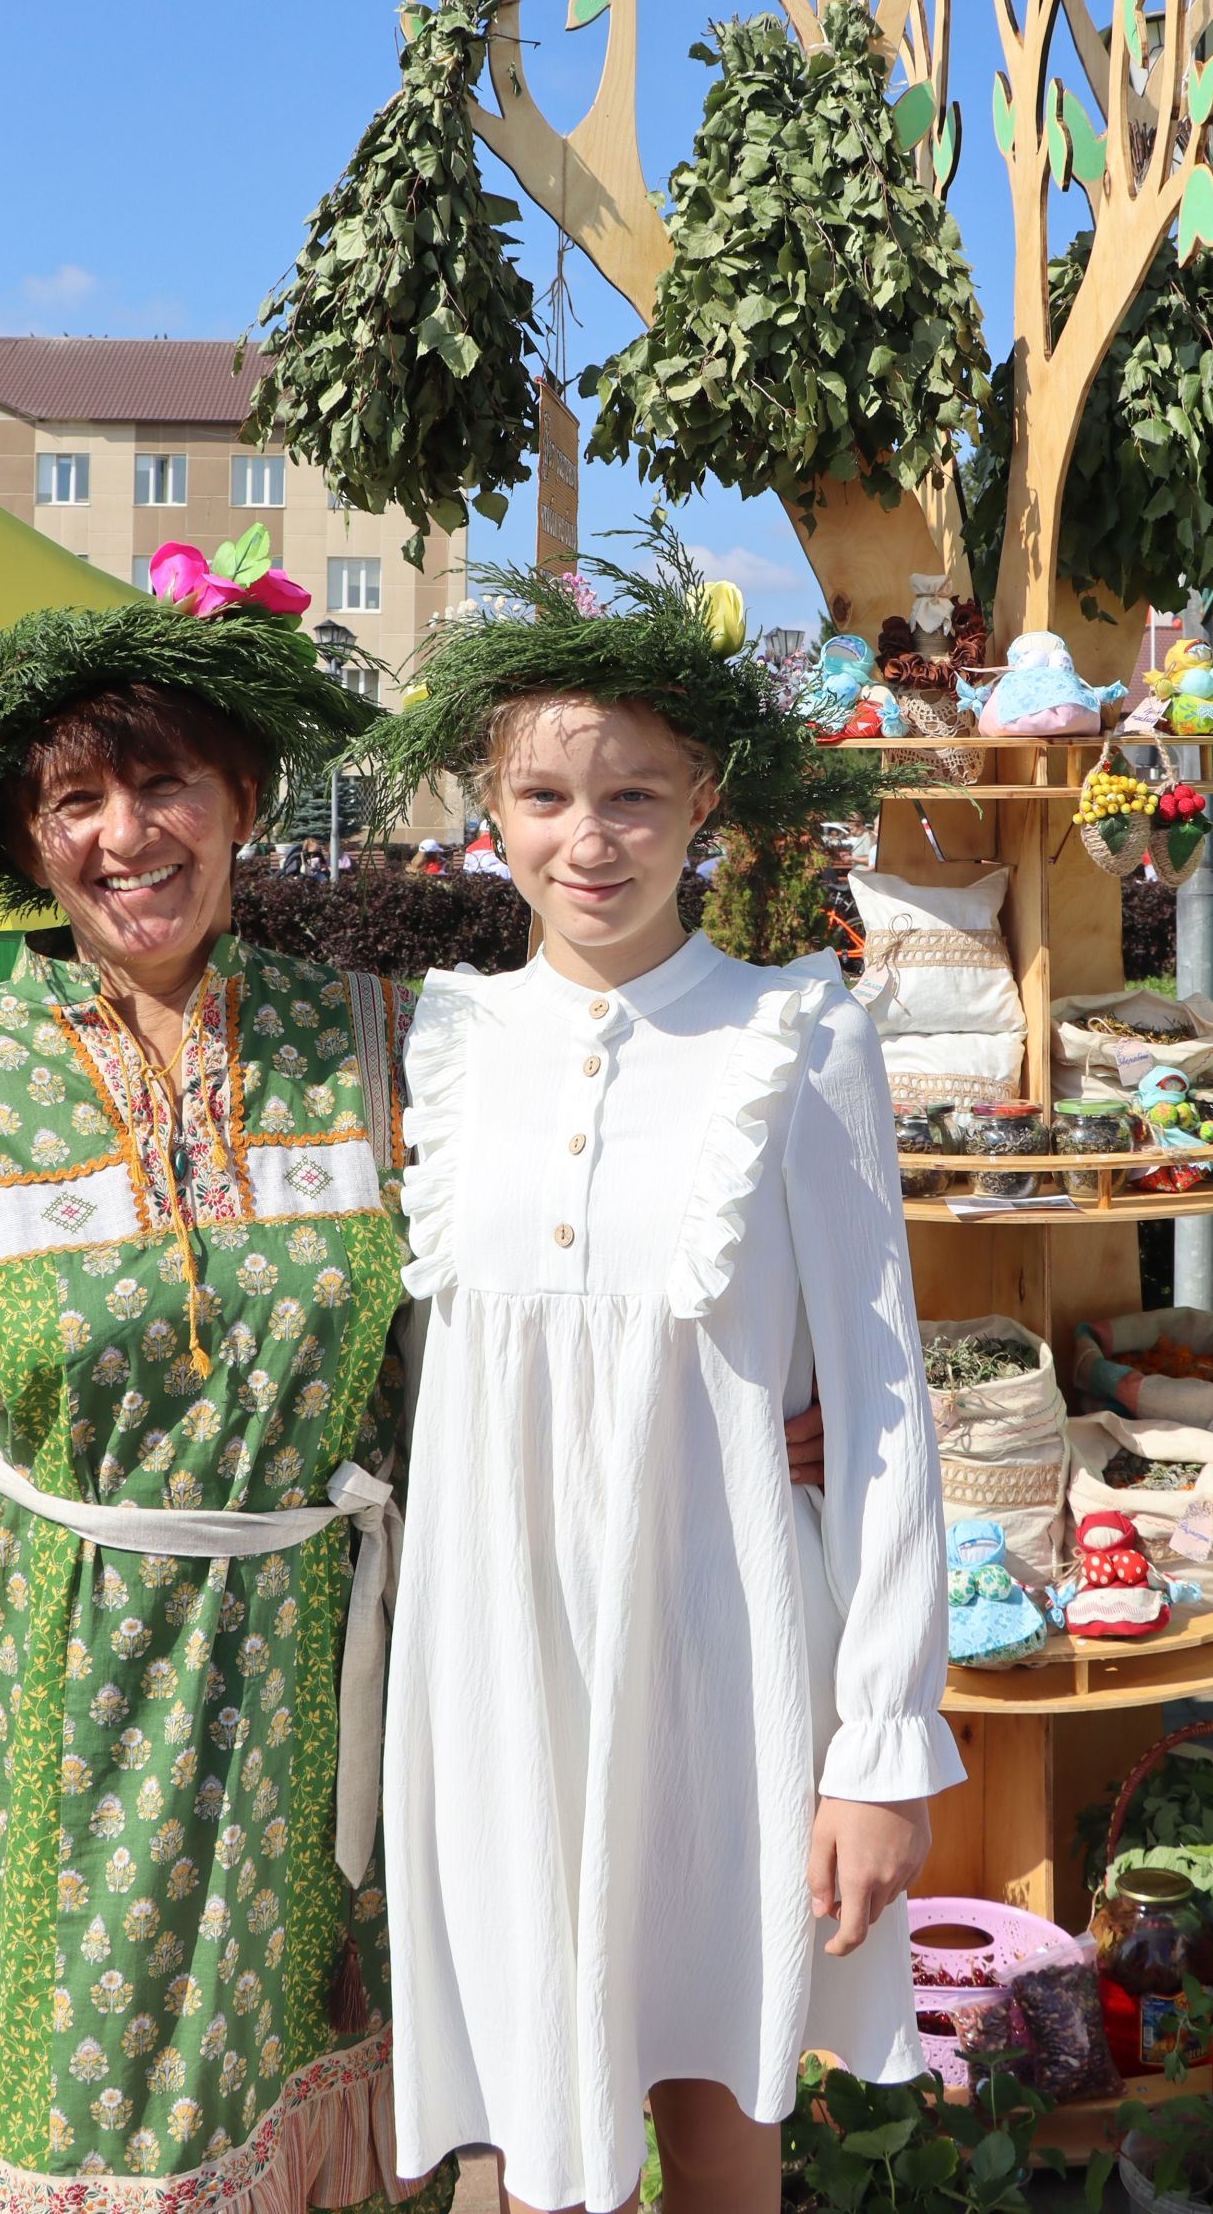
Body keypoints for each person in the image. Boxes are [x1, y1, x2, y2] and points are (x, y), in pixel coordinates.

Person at [0, 563, 824, 2214]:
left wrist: (752, 1392)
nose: (128, 835)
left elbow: (547, 1248)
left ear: (241, 802)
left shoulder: (383, 1042)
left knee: (365, 2077)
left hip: (345, 1681)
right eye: (77, 799)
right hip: (61, 1705)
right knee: (85, 2107)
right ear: (27, 839)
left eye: (165, 784)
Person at [375, 533, 962, 2214]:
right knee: (518, 2113)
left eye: (635, 794)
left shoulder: (797, 1032)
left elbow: (879, 1396)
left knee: (717, 2101)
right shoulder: (444, 1040)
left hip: (720, 1654)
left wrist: (880, 1741)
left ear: (704, 798)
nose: (590, 838)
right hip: (490, 1659)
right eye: (547, 796)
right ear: (490, 804)